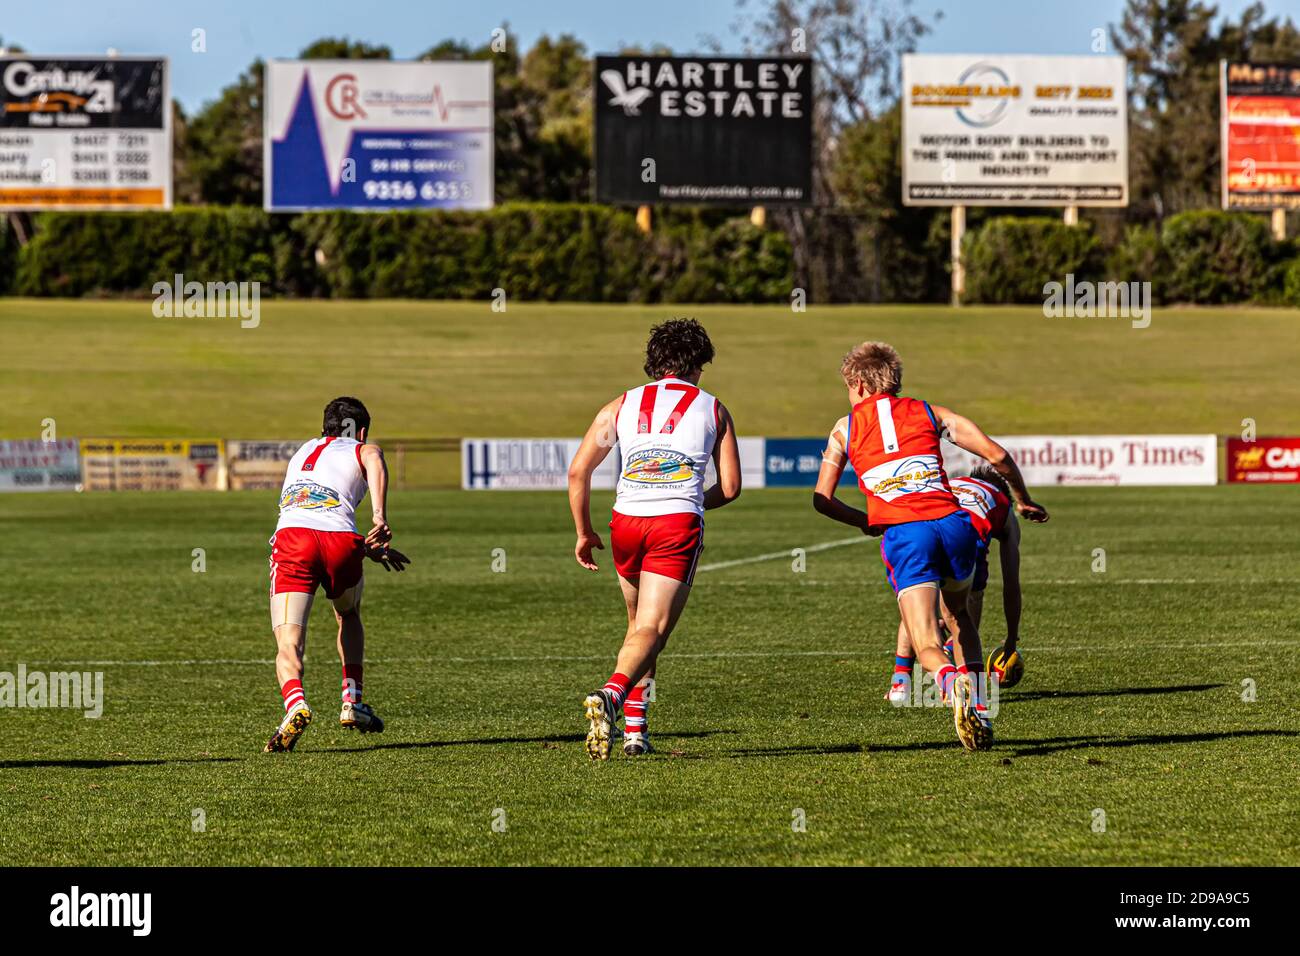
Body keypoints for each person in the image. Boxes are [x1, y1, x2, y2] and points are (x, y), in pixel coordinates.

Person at [812, 342, 1047, 751]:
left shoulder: (843, 429)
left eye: (848, 387)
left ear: (860, 384)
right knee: (961, 618)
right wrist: (1022, 499)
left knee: (926, 643)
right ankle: (980, 710)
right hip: (955, 526)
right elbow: (997, 455)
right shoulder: (930, 412)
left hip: (908, 534)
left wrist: (866, 521)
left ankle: (951, 683)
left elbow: (822, 499)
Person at [567, 319, 742, 761]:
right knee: (652, 631)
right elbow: (731, 487)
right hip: (674, 524)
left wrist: (584, 532)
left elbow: (578, 471)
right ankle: (611, 695)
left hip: (626, 522)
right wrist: (690, 502)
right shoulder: (714, 409)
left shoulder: (620, 404)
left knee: (638, 628)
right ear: (697, 365)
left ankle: (635, 732)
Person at [264, 396, 410, 753]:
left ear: (324, 427)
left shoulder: (302, 451)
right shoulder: (361, 447)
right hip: (342, 542)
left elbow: (309, 508)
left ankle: (296, 704)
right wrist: (379, 517)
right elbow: (372, 456)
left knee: (289, 641)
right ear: (361, 431)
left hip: (294, 540)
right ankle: (352, 701)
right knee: (348, 614)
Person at [886, 465, 1025, 704]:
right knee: (963, 616)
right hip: (965, 537)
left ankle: (901, 684)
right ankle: (963, 687)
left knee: (918, 607)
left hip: (923, 529)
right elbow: (1011, 584)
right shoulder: (1003, 505)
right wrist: (1012, 637)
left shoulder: (954, 482)